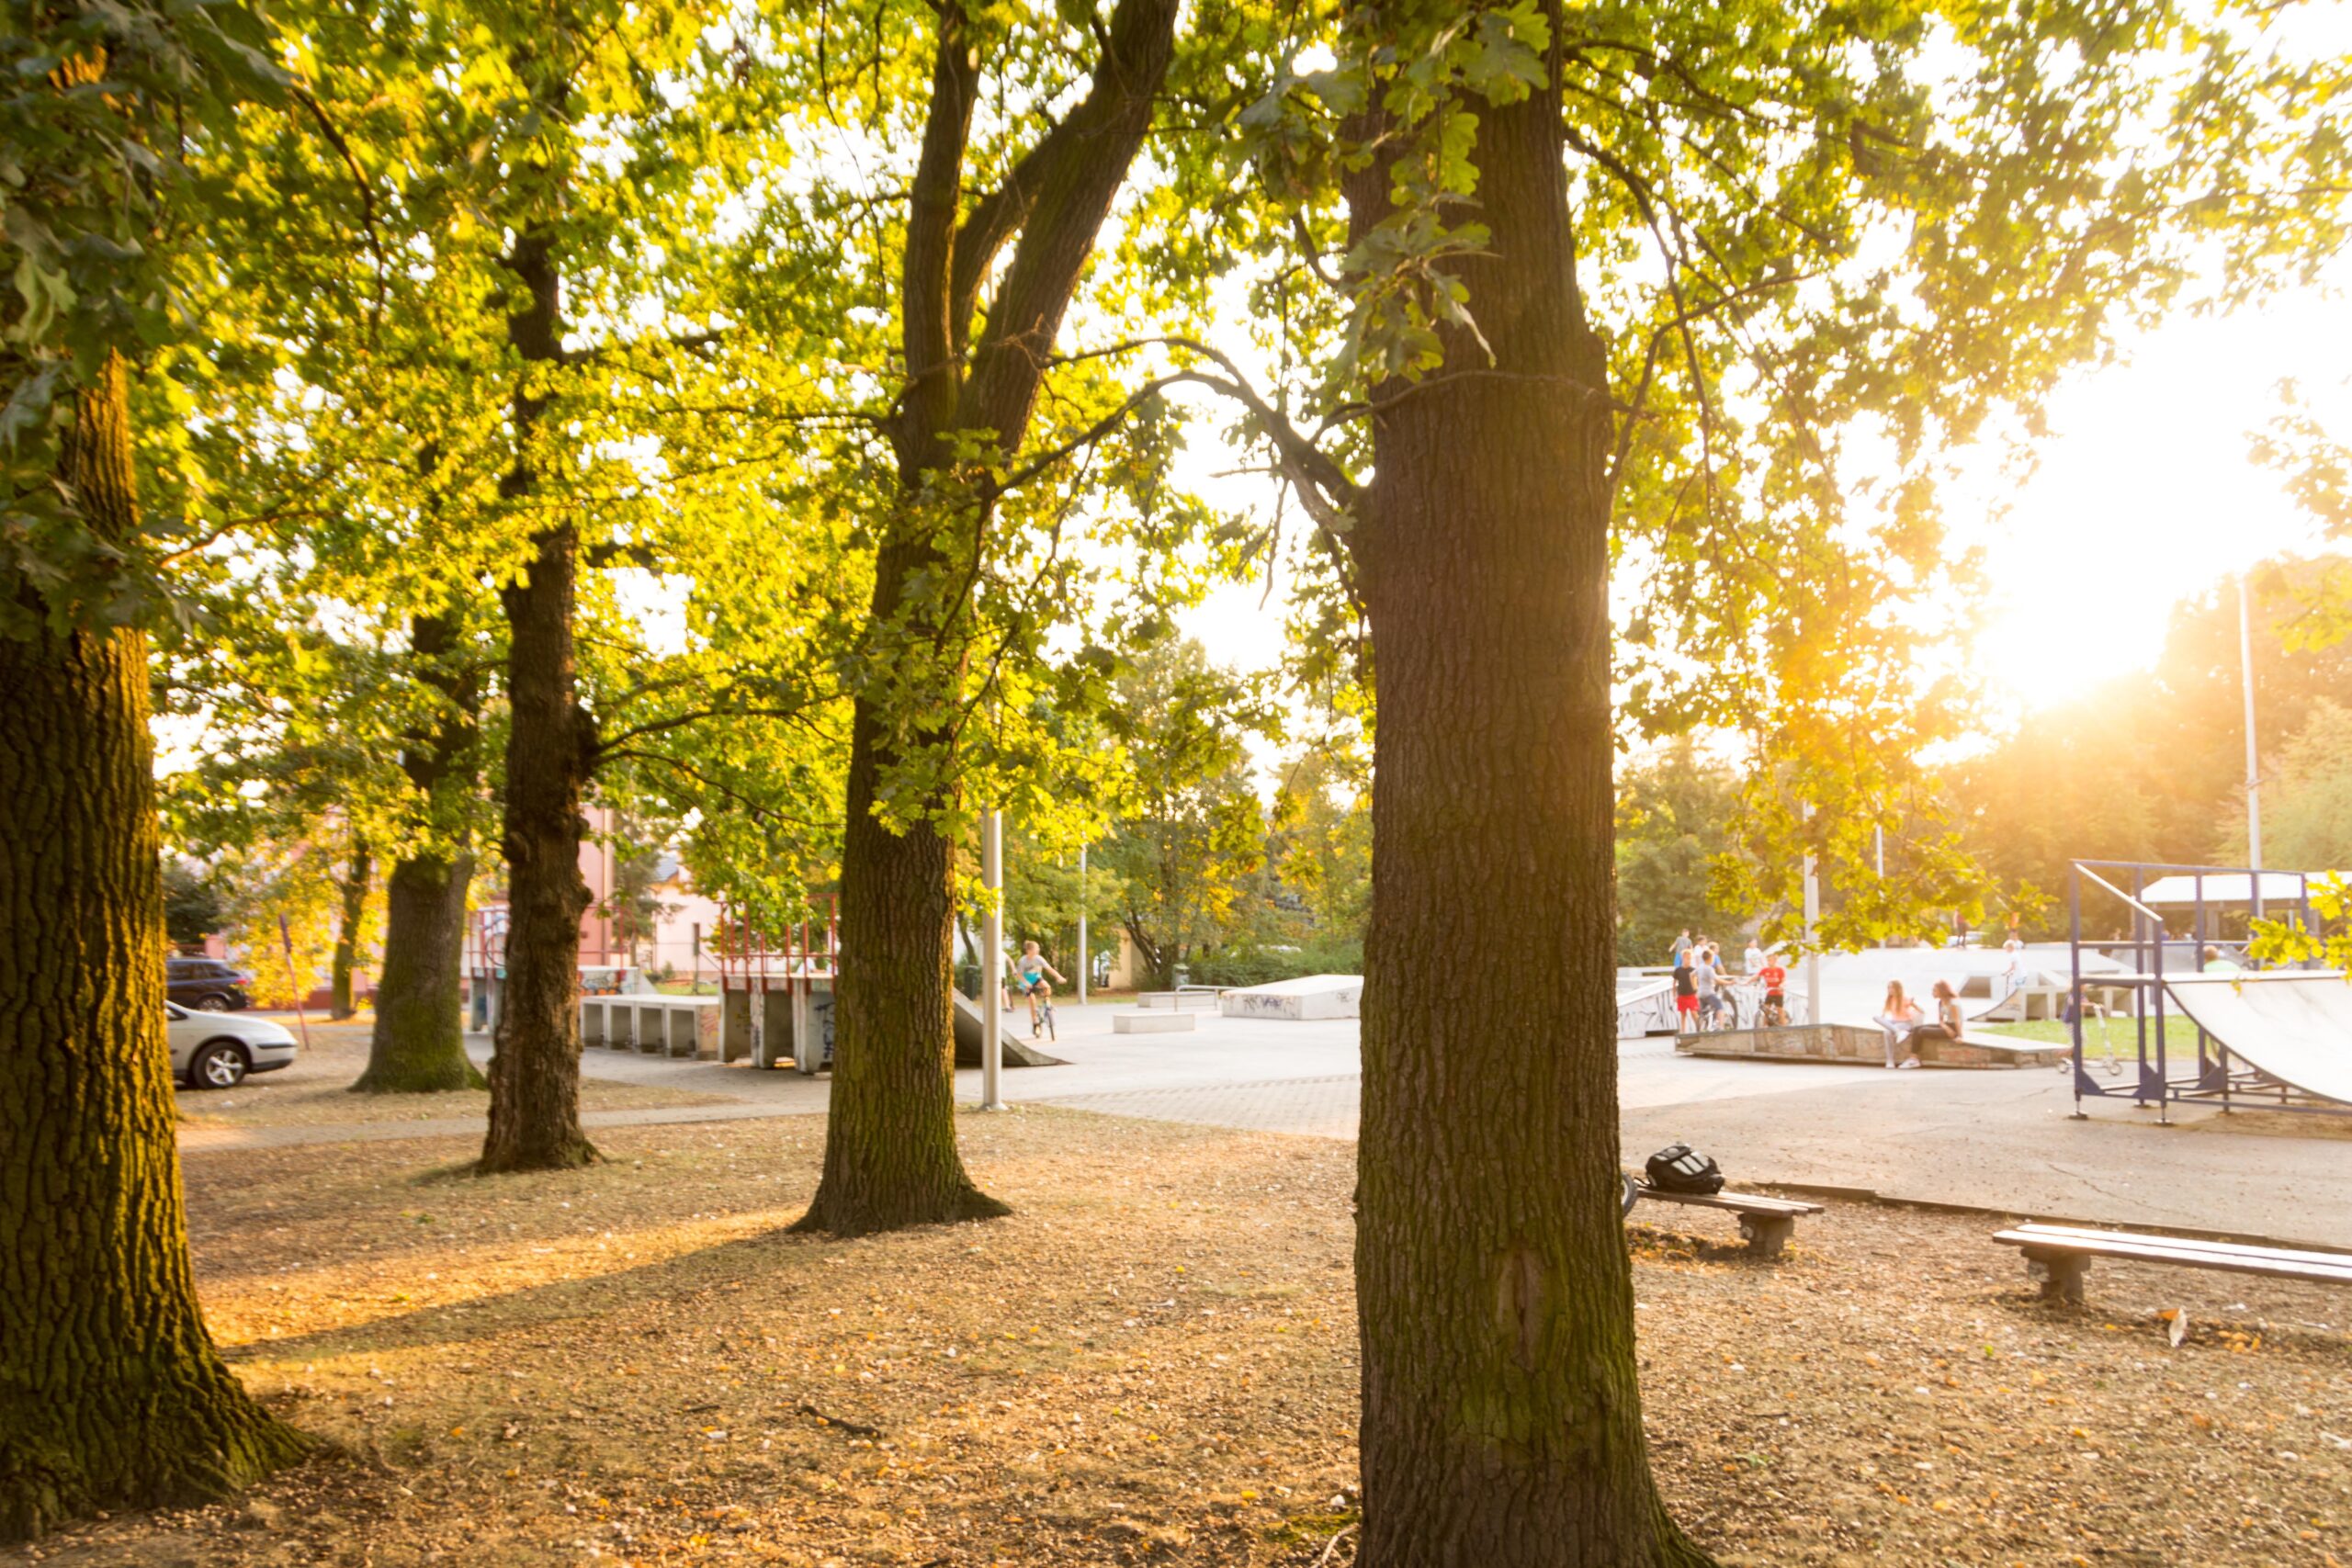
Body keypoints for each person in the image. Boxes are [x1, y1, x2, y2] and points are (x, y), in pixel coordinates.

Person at [1902, 979, 1964, 1066]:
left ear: (1941, 990)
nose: (1932, 992)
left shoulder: (1953, 1002)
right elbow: (1941, 1021)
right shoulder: (1941, 1002)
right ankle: (1914, 1058)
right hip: (1947, 1026)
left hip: (1954, 1028)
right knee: (1917, 1029)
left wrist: (1959, 1036)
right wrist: (1946, 1028)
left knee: (1922, 1031)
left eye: (1934, 990)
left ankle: (1914, 1059)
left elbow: (1957, 1020)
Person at [1012, 941, 1065, 1038]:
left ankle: (1048, 1004)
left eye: (1038, 949)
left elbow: (1050, 969)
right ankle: (1035, 1022)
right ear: (1029, 950)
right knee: (1032, 1001)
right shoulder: (1023, 961)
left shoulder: (1039, 959)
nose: (1038, 950)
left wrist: (1059, 977)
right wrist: (1026, 983)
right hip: (1025, 981)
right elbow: (1019, 975)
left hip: (1036, 978)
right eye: (1036, 948)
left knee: (1047, 987)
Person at [1874, 980, 1923, 1068]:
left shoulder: (1904, 999)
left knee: (1887, 1032)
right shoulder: (1890, 1000)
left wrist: (1913, 1004)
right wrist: (1883, 1021)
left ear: (1898, 989)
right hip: (1895, 1023)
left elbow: (1921, 1011)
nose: (1890, 990)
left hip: (1906, 1023)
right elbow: (1883, 1016)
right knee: (1876, 1018)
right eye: (1889, 988)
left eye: (1892, 987)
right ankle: (1890, 1059)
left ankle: (1890, 1060)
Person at [1692, 943, 1728, 1029]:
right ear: (1710, 958)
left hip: (1700, 993)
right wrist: (1729, 982)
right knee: (1719, 1007)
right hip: (1708, 993)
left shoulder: (1700, 967)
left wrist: (1694, 987)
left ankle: (1704, 1025)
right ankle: (1721, 1027)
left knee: (1704, 1012)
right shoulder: (1709, 968)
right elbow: (1717, 979)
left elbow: (1691, 975)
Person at [1755, 953, 1789, 1026]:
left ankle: (1784, 1026)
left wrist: (1781, 985)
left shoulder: (1780, 970)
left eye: (1770, 960)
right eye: (1768, 960)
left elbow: (1784, 980)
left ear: (1775, 961)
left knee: (1779, 1010)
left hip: (1778, 993)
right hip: (1769, 993)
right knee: (1766, 1010)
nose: (1768, 962)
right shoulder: (1765, 970)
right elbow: (1756, 976)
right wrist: (1746, 982)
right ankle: (1764, 1026)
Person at [1672, 949, 1700, 1032]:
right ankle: (1683, 1032)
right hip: (1682, 995)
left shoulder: (1693, 970)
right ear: (1683, 958)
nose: (1689, 960)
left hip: (1691, 995)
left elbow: (1696, 983)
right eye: (1687, 958)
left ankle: (1699, 1029)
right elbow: (1674, 984)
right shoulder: (1678, 970)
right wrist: (1674, 995)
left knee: (1694, 1013)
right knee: (1683, 1015)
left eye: (1690, 958)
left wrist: (1697, 994)